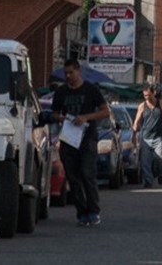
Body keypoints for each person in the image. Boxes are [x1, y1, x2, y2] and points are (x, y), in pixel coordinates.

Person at [50, 58, 110, 227]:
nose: (68, 76)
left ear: (79, 71)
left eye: (71, 72)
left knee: (87, 173)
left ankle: (94, 211)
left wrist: (86, 117)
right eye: (66, 73)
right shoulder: (61, 92)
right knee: (72, 177)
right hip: (68, 139)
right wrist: (60, 117)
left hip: (87, 137)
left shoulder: (91, 90)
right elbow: (54, 113)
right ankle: (81, 212)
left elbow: (105, 112)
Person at [133, 86, 162, 188]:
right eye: (145, 96)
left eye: (149, 95)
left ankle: (160, 173)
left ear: (153, 93)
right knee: (145, 161)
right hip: (145, 137)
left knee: (159, 159)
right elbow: (136, 121)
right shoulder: (142, 106)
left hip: (159, 137)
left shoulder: (161, 104)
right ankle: (148, 181)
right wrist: (134, 135)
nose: (147, 98)